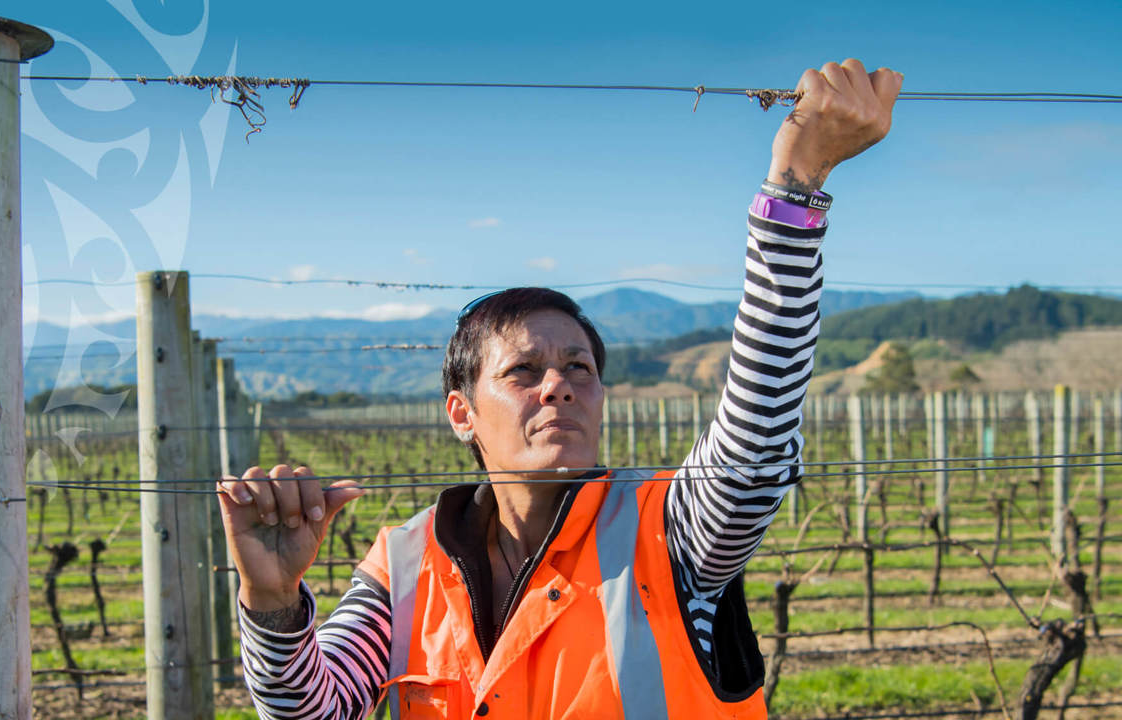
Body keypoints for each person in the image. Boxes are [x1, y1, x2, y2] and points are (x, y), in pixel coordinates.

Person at [218, 58, 902, 719]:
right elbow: (314, 709)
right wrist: (273, 602)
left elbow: (756, 440)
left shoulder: (671, 533)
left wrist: (795, 185)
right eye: (524, 371)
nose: (560, 387)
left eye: (580, 368)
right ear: (461, 413)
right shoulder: (403, 563)